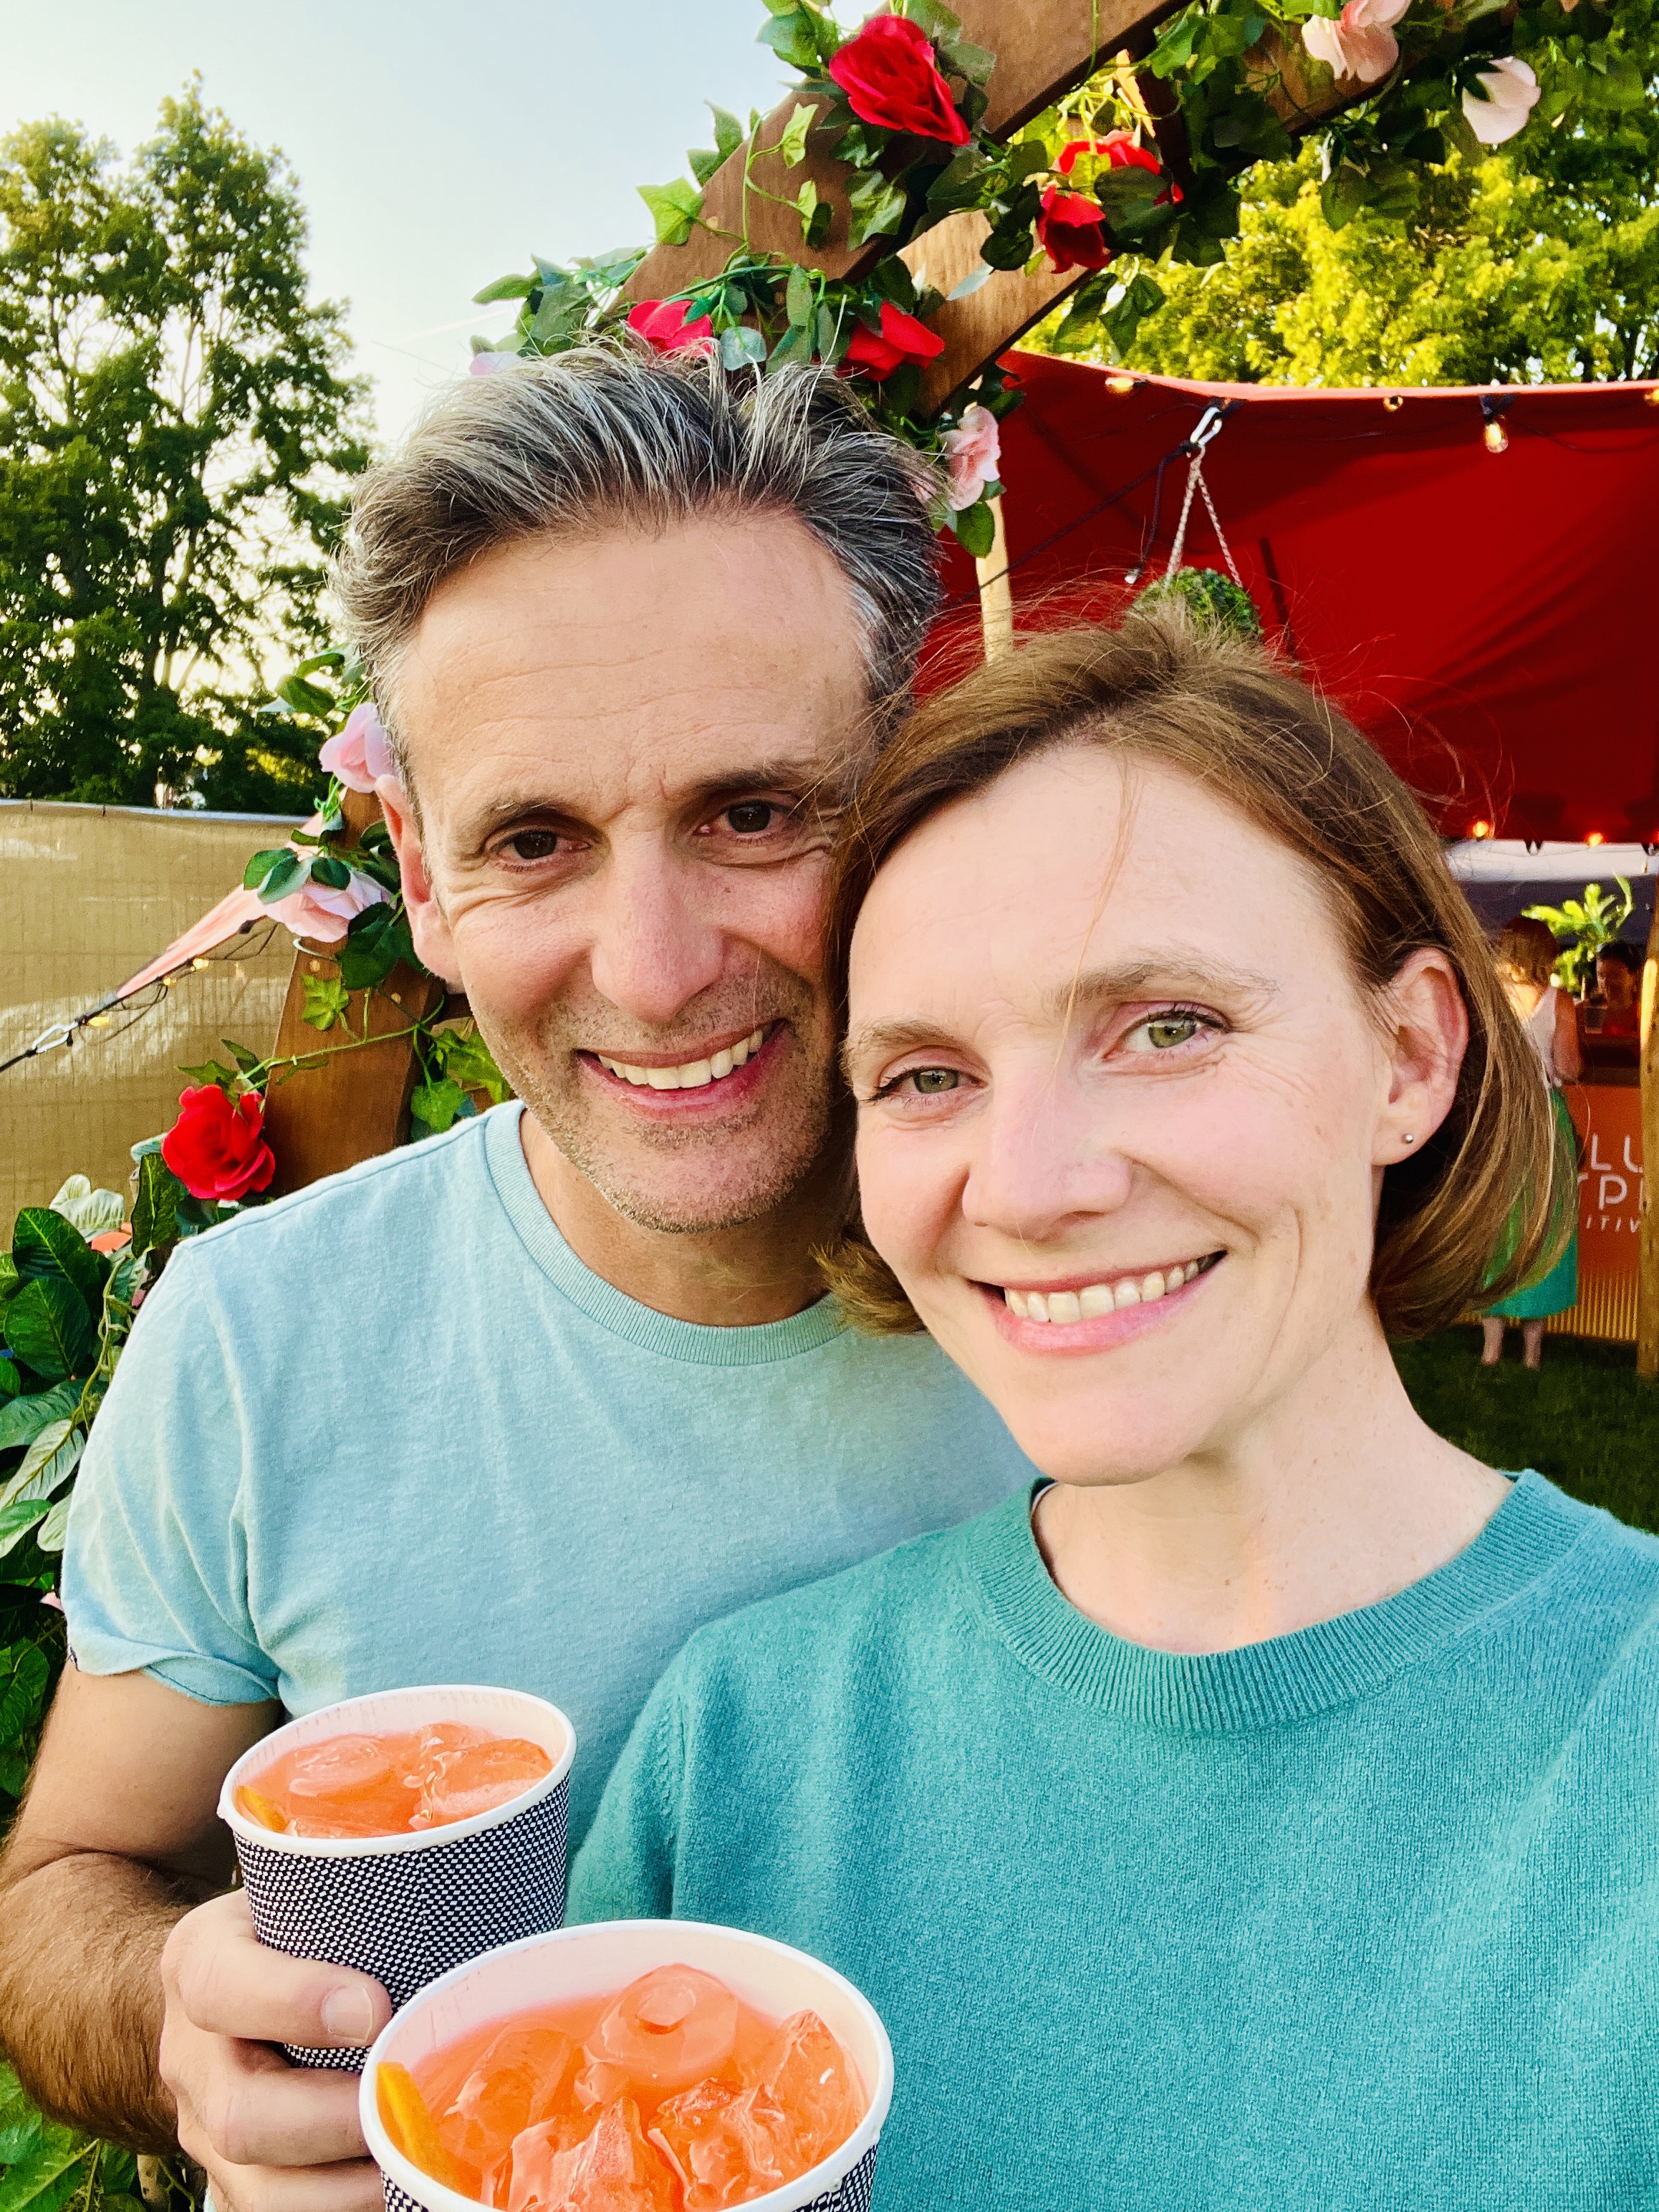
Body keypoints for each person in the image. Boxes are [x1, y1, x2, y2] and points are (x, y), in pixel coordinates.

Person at [0, 349, 1033, 2201]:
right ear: (418, 868)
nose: (651, 968)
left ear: (907, 794)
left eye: (753, 812)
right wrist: (177, 2014)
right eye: (535, 841)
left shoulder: (1108, 1312)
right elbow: (64, 1884)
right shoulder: (256, 1343)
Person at [572, 613, 1659, 2206]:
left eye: (1166, 1026)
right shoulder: (742, 1747)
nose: (1027, 1185)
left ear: (1411, 1054)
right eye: (927, 1075)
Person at [1479, 914, 1582, 1368]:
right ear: (1545, 954)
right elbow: (1569, 1069)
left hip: (1500, 1116)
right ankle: (1532, 1352)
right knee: (1544, 1223)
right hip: (1544, 1117)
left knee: (1494, 1224)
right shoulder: (1559, 1002)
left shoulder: (1487, 997)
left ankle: (1491, 1348)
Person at [1591, 938, 1643, 1039]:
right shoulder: (1584, 1013)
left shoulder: (1646, 1016)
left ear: (1634, 976)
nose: (1606, 982)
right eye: (1601, 975)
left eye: (1614, 975)